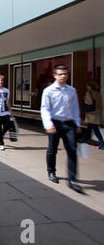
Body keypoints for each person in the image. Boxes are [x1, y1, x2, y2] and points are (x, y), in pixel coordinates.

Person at [40, 65, 83, 193]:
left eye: (65, 74)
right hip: (55, 123)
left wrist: (77, 123)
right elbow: (45, 109)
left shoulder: (72, 90)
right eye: (60, 74)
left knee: (72, 150)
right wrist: (48, 124)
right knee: (52, 149)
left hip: (69, 124)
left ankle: (72, 179)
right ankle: (51, 172)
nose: (63, 76)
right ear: (55, 75)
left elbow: (75, 108)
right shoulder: (48, 91)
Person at [79, 82, 103, 149]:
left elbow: (89, 102)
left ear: (90, 87)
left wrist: (84, 99)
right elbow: (100, 104)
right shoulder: (98, 93)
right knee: (90, 128)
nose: (87, 87)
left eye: (87, 86)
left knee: (95, 129)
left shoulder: (89, 93)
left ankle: (102, 144)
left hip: (92, 114)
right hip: (97, 113)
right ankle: (83, 139)